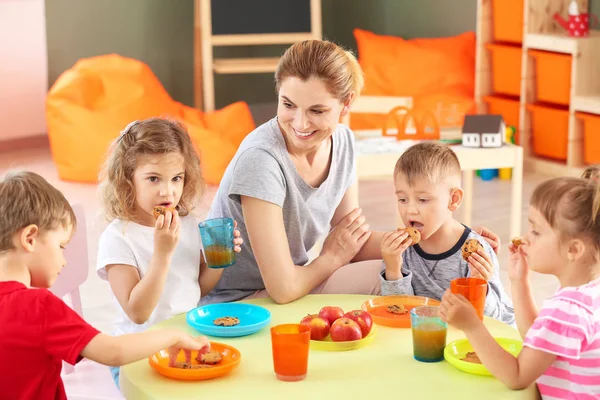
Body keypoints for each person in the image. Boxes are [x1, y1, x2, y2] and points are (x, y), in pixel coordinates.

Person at [201, 39, 393, 305]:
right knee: (384, 276)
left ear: (346, 104)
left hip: (298, 282)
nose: (300, 124)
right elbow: (283, 288)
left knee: (413, 262)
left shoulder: (343, 142)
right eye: (288, 105)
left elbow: (351, 240)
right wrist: (330, 259)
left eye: (317, 110)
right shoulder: (261, 160)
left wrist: (438, 241)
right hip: (242, 301)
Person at [0, 171, 209, 400]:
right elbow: (113, 351)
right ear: (30, 238)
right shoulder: (39, 306)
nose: (64, 260)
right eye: (61, 246)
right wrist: (174, 336)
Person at [96, 118, 242, 387]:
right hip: (137, 355)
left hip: (187, 340)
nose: (168, 191)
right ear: (127, 180)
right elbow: (138, 312)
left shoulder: (187, 224)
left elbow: (198, 288)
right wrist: (162, 254)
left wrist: (218, 259)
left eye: (176, 178)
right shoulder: (118, 238)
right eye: (153, 179)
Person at [441, 177, 600, 397]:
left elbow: (517, 377)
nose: (525, 238)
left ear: (573, 249)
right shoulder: (587, 295)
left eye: (536, 231)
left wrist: (472, 326)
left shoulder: (566, 309)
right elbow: (537, 341)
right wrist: (519, 281)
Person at [379, 142, 514, 324]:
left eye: (423, 199)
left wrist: (478, 286)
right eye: (402, 199)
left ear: (453, 199)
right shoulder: (400, 252)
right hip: (429, 336)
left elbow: (495, 320)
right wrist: (393, 269)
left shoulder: (476, 251)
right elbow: (400, 312)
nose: (410, 210)